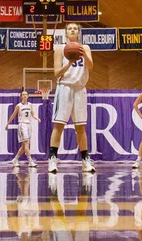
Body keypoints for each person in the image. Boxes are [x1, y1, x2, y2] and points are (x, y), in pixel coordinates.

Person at [49, 23, 95, 174]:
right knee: (59, 126)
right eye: (70, 28)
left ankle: (85, 160)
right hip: (65, 88)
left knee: (80, 127)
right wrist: (69, 63)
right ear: (66, 33)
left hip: (80, 89)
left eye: (75, 28)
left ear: (78, 32)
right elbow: (56, 73)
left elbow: (91, 66)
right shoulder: (59, 49)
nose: (73, 30)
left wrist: (83, 54)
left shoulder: (85, 48)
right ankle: (52, 159)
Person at [5, 90, 40, 167]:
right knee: (26, 143)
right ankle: (30, 161)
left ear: (27, 96)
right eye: (23, 94)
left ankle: (15, 159)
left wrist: (37, 118)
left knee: (24, 146)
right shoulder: (18, 106)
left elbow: (33, 114)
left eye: (26, 94)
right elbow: (13, 115)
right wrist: (8, 123)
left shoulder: (30, 105)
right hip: (22, 124)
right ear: (21, 96)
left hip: (29, 125)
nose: (24, 96)